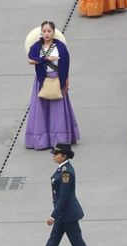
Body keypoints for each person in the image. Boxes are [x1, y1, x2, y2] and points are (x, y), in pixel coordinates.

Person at [27, 144, 95, 246]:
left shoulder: (66, 173)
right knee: (53, 240)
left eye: (56, 154)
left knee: (77, 242)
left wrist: (53, 216)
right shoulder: (62, 169)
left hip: (67, 214)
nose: (54, 156)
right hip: (63, 214)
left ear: (64, 155)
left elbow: (64, 197)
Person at [25, 22, 80, 150]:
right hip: (42, 80)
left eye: (49, 31)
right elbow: (30, 60)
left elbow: (65, 64)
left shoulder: (60, 46)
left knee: (58, 112)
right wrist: (45, 59)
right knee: (41, 110)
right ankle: (41, 140)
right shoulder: (37, 46)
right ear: (41, 33)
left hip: (57, 79)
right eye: (44, 31)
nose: (46, 34)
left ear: (53, 32)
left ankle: (59, 139)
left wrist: (66, 81)